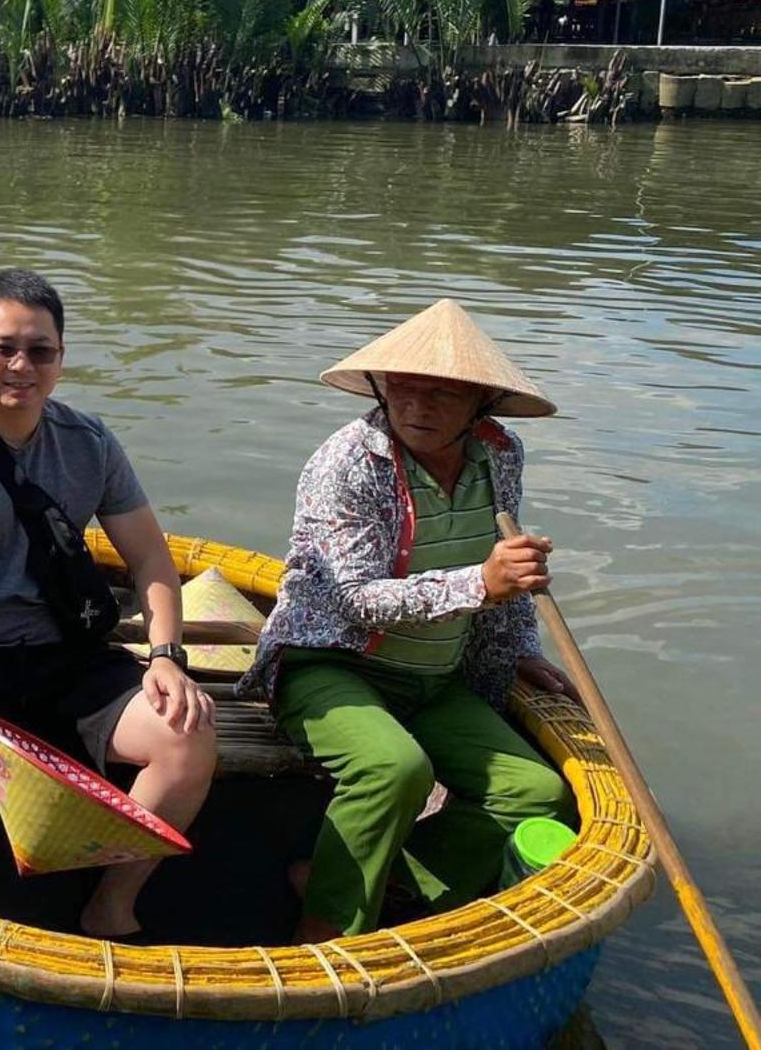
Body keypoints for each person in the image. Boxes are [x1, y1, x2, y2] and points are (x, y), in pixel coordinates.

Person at [0, 269, 217, 939]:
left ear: (61, 359)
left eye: (40, 351)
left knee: (188, 737)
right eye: (3, 347)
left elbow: (151, 559)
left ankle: (109, 902)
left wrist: (166, 656)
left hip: (69, 653)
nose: (20, 366)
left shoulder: (88, 440)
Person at [238, 299, 577, 943]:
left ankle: (391, 888)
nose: (418, 405)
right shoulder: (349, 462)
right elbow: (357, 599)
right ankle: (326, 931)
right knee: (395, 768)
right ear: (381, 389)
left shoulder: (499, 455)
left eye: (442, 393)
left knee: (536, 791)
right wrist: (482, 583)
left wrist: (520, 644)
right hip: (332, 663)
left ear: (480, 402)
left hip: (435, 674)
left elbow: (503, 559)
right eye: (404, 388)